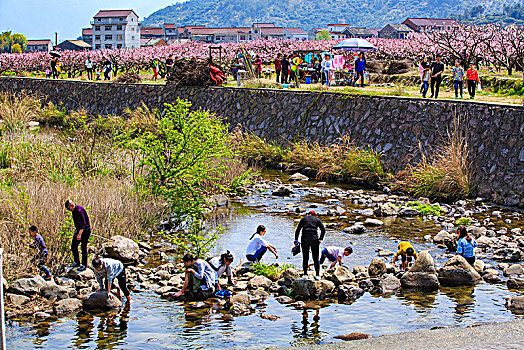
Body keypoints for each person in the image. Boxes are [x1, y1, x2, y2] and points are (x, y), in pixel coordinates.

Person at [294, 211, 326, 280]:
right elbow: (323, 230)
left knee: (305, 257)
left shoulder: (303, 219)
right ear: (315, 215)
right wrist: (320, 239)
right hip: (314, 240)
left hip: (304, 239)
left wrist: (296, 240)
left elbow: (298, 230)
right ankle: (317, 275)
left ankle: (305, 274)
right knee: (315, 258)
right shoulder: (317, 220)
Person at [65, 200, 91, 272]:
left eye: (69, 208)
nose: (69, 210)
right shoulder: (74, 211)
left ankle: (84, 265)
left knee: (83, 247)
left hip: (84, 231)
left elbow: (83, 225)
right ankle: (77, 262)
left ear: (72, 206)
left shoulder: (79, 211)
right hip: (78, 230)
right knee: (73, 246)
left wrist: (79, 235)